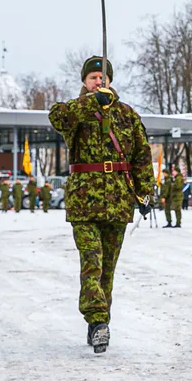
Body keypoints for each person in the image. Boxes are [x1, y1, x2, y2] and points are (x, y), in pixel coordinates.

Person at [49, 56, 155, 354]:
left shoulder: (126, 115)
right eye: (94, 77)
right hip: (84, 200)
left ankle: (100, 322)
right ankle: (97, 321)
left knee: (107, 267)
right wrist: (92, 102)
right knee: (92, 262)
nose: (100, 81)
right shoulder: (76, 111)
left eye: (104, 77)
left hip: (118, 200)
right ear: (84, 81)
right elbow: (58, 118)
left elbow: (141, 155)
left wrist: (145, 193)